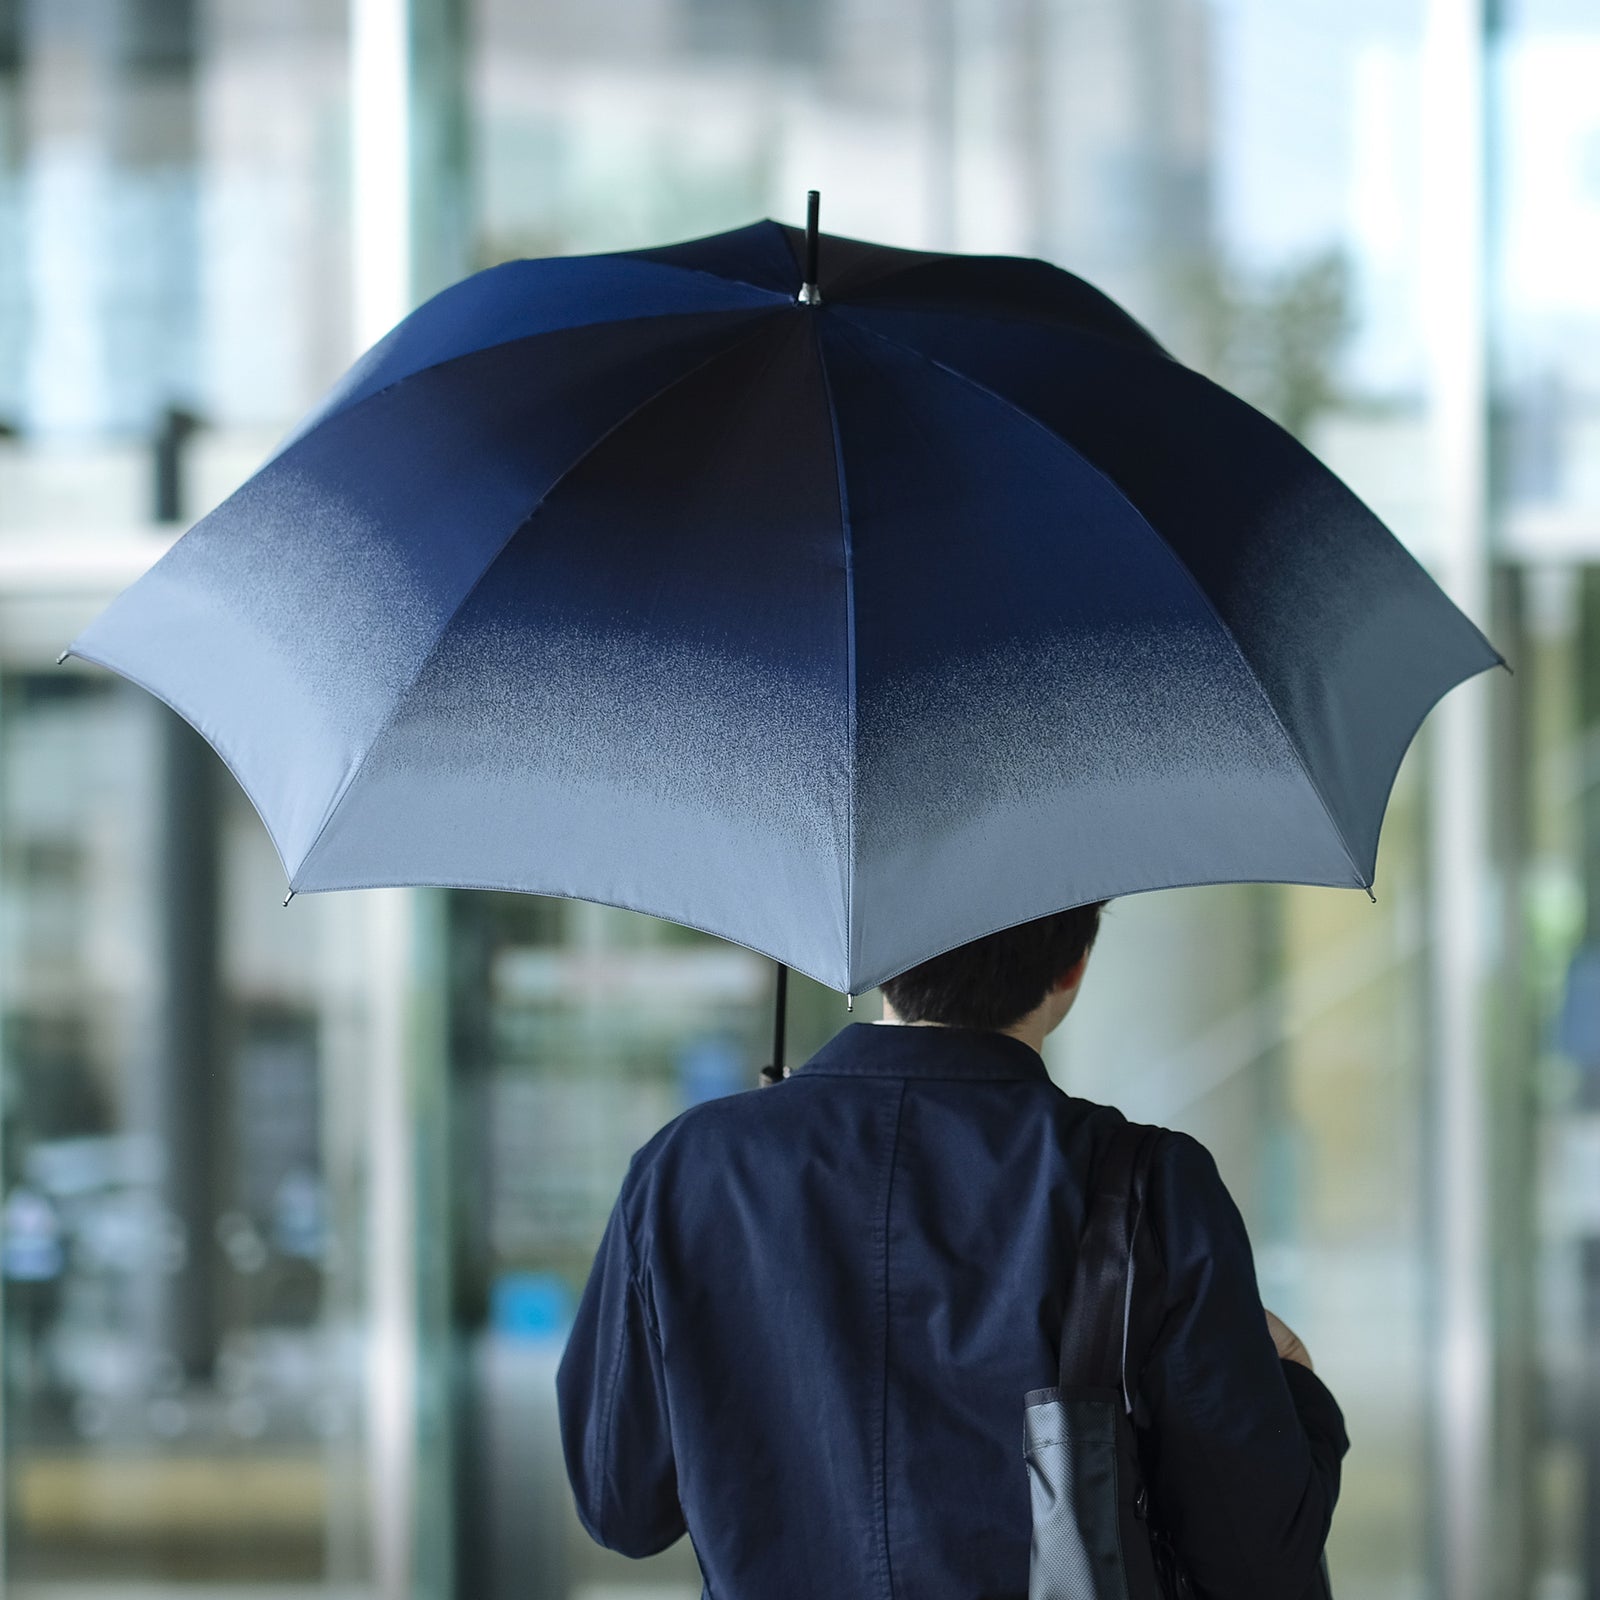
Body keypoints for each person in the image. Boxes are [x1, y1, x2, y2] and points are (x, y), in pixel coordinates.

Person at [555, 902, 1349, 1597]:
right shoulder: (1151, 1181)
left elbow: (620, 1503)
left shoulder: (691, 1167)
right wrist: (1295, 1381)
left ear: (879, 965)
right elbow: (1255, 1559)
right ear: (1072, 967)